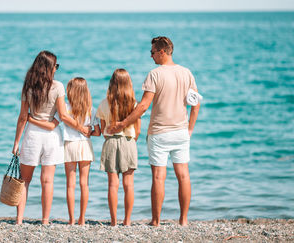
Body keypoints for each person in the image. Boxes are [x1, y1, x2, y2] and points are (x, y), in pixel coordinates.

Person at [108, 36, 200, 226]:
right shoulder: (187, 73)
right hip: (181, 132)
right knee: (183, 175)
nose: (151, 56)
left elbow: (143, 107)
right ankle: (183, 220)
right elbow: (195, 103)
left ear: (162, 52)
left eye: (152, 52)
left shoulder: (155, 74)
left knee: (159, 177)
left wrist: (122, 123)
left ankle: (156, 221)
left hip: (159, 132)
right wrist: (190, 128)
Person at [11, 51, 90, 225]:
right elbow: (63, 116)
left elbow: (23, 117)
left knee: (24, 181)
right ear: (48, 68)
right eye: (55, 66)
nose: (56, 69)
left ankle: (19, 219)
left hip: (31, 135)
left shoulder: (28, 87)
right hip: (51, 138)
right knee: (47, 181)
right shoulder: (58, 87)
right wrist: (82, 128)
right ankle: (45, 220)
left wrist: (16, 142)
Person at [30, 77, 101, 225]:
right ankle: (82, 218)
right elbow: (97, 132)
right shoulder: (91, 109)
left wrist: (32, 119)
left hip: (69, 146)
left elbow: (53, 125)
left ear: (70, 91)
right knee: (84, 183)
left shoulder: (65, 108)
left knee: (70, 184)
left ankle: (71, 219)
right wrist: (87, 131)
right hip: (85, 147)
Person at [96, 68, 141, 226]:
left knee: (112, 184)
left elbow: (102, 130)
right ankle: (127, 221)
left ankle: (114, 221)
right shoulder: (134, 104)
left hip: (110, 143)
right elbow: (138, 130)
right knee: (128, 184)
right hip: (128, 142)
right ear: (128, 83)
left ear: (112, 83)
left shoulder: (104, 103)